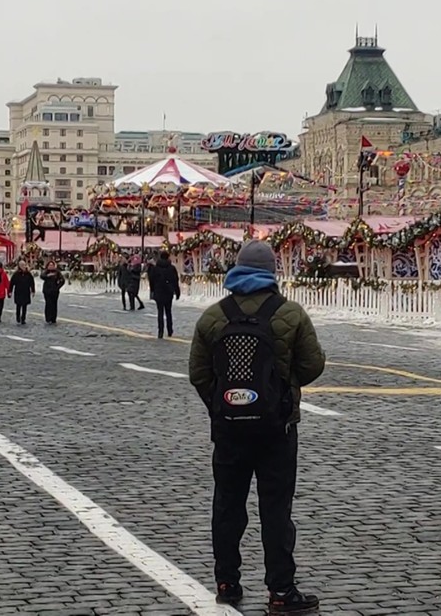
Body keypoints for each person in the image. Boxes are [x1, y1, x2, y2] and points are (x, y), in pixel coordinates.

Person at [188, 241, 324, 613]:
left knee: (228, 506)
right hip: (277, 430)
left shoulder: (214, 316)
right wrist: (279, 387)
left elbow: (198, 373)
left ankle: (227, 581)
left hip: (230, 430)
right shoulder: (291, 314)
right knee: (276, 509)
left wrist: (222, 405)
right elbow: (313, 367)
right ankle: (281, 590)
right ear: (272, 272)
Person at [147, 250, 181, 339]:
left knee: (160, 312)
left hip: (159, 291)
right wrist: (177, 292)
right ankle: (170, 330)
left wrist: (152, 290)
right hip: (168, 292)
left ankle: (160, 331)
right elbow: (175, 280)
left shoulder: (155, 268)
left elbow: (151, 280)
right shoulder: (171, 268)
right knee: (168, 311)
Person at [10, 261, 35, 325]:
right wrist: (10, 291)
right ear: (19, 266)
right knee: (18, 305)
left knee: (24, 306)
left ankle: (23, 318)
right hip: (18, 291)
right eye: (21, 265)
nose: (23, 266)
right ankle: (18, 317)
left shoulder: (28, 274)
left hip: (26, 291)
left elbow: (32, 282)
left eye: (24, 265)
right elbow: (11, 283)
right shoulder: (16, 274)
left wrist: (33, 291)